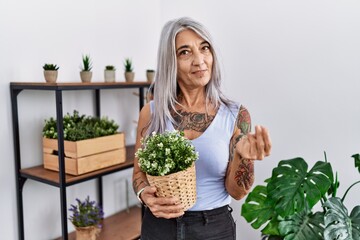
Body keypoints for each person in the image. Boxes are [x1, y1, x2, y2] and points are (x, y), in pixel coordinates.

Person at [132, 17, 272, 240]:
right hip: (158, 228)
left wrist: (242, 156)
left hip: (213, 229)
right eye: (185, 52)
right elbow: (139, 173)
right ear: (171, 62)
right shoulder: (151, 113)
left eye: (204, 48)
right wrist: (143, 194)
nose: (199, 60)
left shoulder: (235, 114)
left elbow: (237, 192)